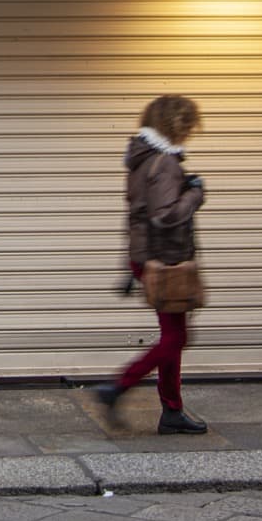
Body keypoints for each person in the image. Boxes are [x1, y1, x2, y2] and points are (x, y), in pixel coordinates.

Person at [93, 94, 209, 435]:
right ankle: (117, 388)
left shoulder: (141, 159)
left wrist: (129, 266)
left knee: (172, 335)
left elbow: (136, 217)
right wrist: (195, 194)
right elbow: (163, 215)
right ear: (176, 124)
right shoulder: (165, 163)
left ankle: (172, 410)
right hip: (166, 261)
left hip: (147, 258)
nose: (191, 131)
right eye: (188, 124)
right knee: (176, 337)